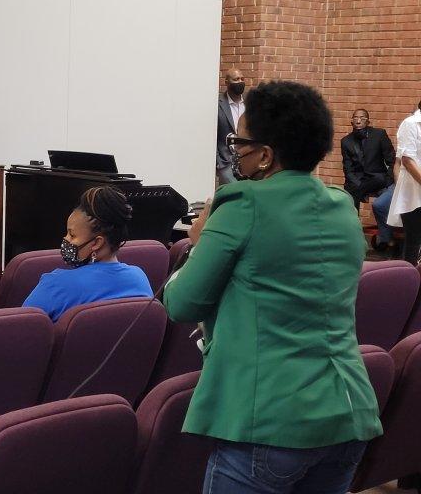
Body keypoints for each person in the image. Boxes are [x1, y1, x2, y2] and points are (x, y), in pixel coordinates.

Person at [165, 81, 382, 494]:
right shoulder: (341, 207)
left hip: (270, 420)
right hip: (348, 412)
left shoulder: (242, 204)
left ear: (265, 155)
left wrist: (198, 243)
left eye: (239, 143)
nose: (236, 153)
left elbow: (180, 303)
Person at [22, 186, 152, 321]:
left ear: (96, 243)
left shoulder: (56, 285)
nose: (66, 239)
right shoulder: (139, 278)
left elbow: (24, 329)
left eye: (72, 235)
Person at [340, 108, 395, 250]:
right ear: (351, 121)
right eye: (356, 118)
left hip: (379, 179)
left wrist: (389, 179)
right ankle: (353, 237)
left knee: (380, 203)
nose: (359, 120)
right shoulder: (346, 141)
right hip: (359, 181)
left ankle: (385, 239)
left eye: (362, 118)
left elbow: (392, 160)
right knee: (349, 194)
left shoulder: (379, 134)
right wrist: (357, 184)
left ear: (368, 121)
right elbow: (348, 168)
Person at [388, 100, 421, 264]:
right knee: (414, 242)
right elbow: (407, 160)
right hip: (413, 193)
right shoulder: (410, 124)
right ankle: (410, 285)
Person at [216, 68, 246, 185]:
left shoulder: (249, 103)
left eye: (242, 79)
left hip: (247, 160)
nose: (240, 82)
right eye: (236, 79)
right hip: (226, 162)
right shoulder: (218, 104)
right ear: (226, 82)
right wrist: (219, 162)